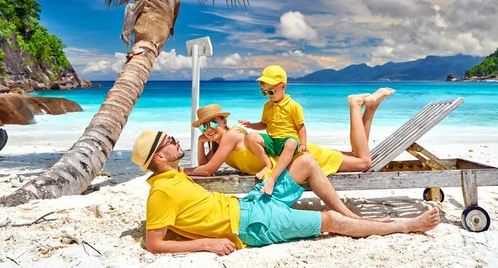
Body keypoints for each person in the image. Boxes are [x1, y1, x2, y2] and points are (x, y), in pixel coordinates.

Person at [131, 130, 440, 255]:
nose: (174, 140)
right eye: (169, 140)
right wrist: (208, 243)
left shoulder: (176, 176)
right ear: (159, 157)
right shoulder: (161, 192)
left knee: (305, 161)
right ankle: (403, 226)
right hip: (252, 226)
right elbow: (154, 243)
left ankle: (350, 215)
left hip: (251, 203)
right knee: (328, 220)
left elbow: (205, 171)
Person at [188, 87, 395, 182]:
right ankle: (370, 108)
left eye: (212, 123)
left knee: (363, 162)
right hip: (292, 158)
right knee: (358, 156)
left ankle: (355, 104)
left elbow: (206, 171)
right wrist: (200, 142)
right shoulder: (219, 142)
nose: (209, 129)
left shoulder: (232, 136)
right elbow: (206, 167)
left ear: (224, 122)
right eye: (203, 127)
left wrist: (178, 170)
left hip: (298, 158)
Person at [238, 65, 306, 195]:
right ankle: (267, 165)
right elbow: (264, 124)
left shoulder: (293, 106)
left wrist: (303, 144)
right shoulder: (267, 106)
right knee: (251, 137)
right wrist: (251, 125)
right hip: (273, 141)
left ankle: (273, 178)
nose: (268, 95)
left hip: (287, 139)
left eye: (271, 91)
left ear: (283, 86)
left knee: (291, 143)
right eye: (264, 92)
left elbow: (301, 127)